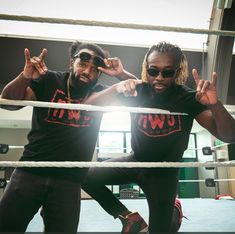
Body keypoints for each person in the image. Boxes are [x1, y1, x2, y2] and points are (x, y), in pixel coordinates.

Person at [81, 41, 235, 233]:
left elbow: (229, 136)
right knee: (84, 175)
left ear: (178, 72)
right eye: (154, 71)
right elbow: (90, 105)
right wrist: (118, 83)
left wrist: (215, 104)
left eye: (167, 72)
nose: (159, 78)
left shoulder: (188, 99)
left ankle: (174, 211)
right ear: (147, 69)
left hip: (165, 173)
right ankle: (129, 218)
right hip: (136, 161)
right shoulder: (138, 91)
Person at [0, 41, 137, 232]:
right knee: (6, 227)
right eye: (83, 62)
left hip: (69, 180)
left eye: (94, 68)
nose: (87, 71)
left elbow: (142, 93)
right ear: (71, 62)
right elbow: (7, 103)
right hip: (30, 172)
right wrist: (24, 77)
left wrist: (121, 74)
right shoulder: (49, 80)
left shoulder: (101, 93)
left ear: (99, 73)